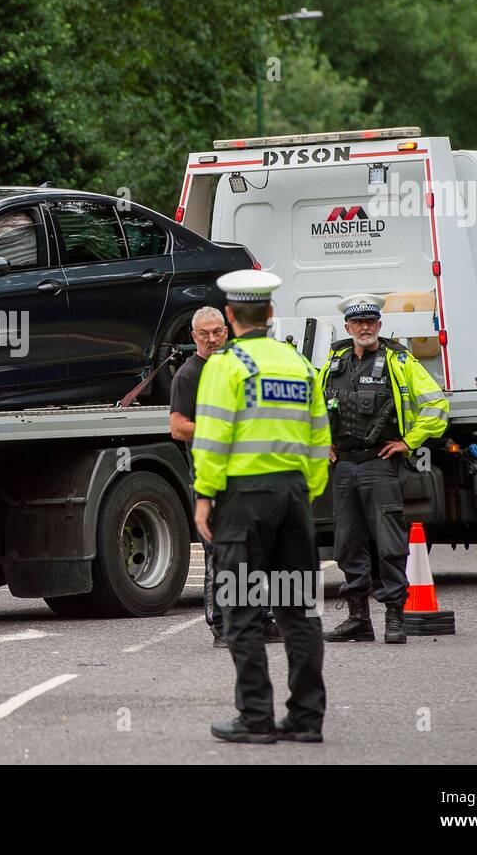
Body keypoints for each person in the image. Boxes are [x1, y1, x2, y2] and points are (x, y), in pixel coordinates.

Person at [193, 270, 330, 744]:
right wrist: (305, 493)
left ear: (230, 318)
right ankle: (307, 719)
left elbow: (211, 437)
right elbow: (319, 438)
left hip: (243, 503)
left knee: (242, 608)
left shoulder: (225, 366)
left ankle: (255, 718)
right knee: (299, 610)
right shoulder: (298, 365)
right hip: (293, 498)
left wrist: (204, 496)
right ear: (270, 314)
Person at [319, 294, 448, 645]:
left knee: (390, 545)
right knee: (347, 544)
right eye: (357, 322)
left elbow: (436, 404)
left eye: (370, 322)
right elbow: (315, 408)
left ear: (379, 325)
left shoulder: (398, 361)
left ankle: (395, 617)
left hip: (380, 464)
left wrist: (409, 440)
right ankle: (358, 618)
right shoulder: (334, 362)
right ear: (347, 327)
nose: (364, 327)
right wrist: (322, 443)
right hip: (344, 466)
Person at [169, 306, 281, 648]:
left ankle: (261, 621)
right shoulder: (188, 375)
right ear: (193, 338)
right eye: (204, 334)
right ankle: (222, 626)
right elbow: (178, 428)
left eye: (217, 331)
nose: (212, 338)